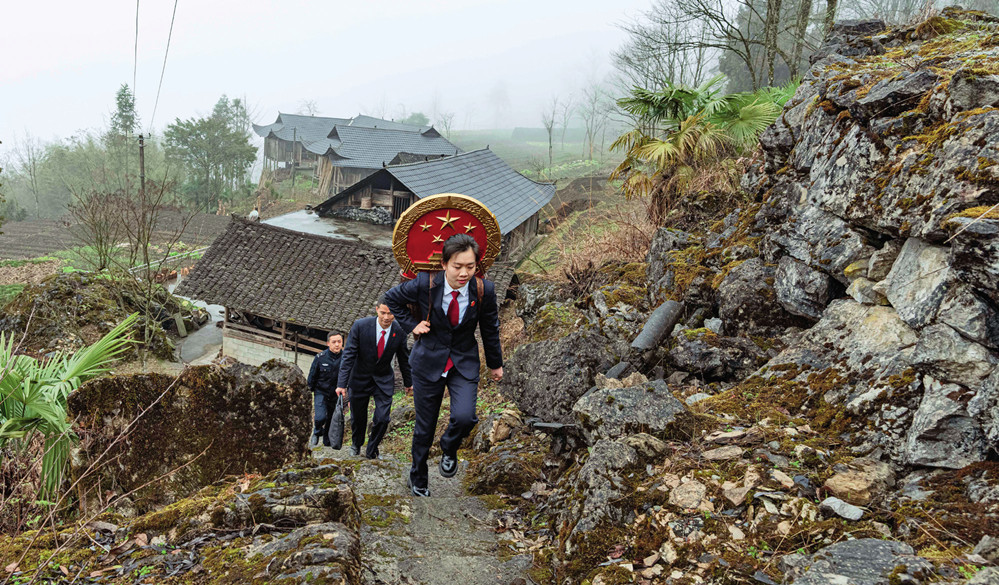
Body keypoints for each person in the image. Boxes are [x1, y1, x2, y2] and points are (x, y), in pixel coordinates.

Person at [384, 233, 503, 497]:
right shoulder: (424, 284)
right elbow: (391, 299)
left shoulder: (484, 290)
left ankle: (449, 446)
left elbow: (490, 329)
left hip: (463, 360)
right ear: (444, 264)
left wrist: (495, 364)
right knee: (424, 426)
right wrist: (411, 325)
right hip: (428, 360)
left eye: (470, 267)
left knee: (465, 416)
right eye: (457, 266)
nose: (464, 273)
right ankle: (418, 478)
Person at [336, 298, 413, 459]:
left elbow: (404, 358)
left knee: (383, 418)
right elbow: (348, 355)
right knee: (358, 417)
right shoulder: (361, 326)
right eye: (383, 312)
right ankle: (356, 443)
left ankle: (372, 449)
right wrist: (342, 384)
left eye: (390, 313)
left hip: (383, 378)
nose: (386, 317)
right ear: (376, 310)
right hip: (359, 377)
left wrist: (408, 383)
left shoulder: (399, 331)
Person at [306, 331, 344, 448]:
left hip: (336, 394)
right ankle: (317, 431)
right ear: (328, 343)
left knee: (331, 419)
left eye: (339, 342)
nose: (337, 345)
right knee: (320, 417)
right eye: (334, 342)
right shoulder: (320, 358)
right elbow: (312, 376)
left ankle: (327, 440)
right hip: (321, 392)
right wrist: (308, 391)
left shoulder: (346, 359)